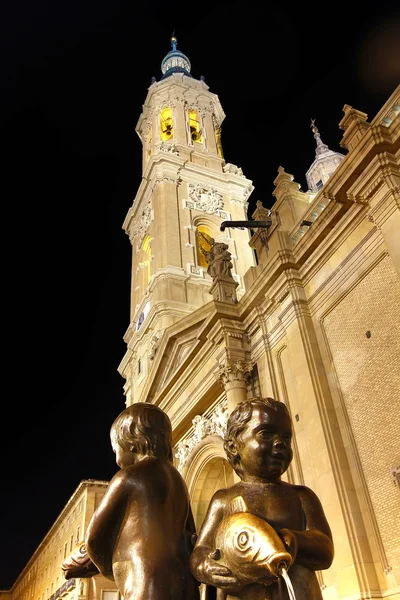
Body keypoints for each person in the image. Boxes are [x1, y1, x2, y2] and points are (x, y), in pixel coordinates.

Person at [190, 397, 334, 600]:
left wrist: (294, 541)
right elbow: (201, 550)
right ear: (233, 446)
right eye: (266, 433)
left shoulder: (301, 496)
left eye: (286, 437)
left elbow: (325, 550)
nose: (280, 443)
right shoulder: (223, 499)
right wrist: (206, 566)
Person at [85, 402, 200, 600]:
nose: (116, 460)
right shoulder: (178, 481)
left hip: (146, 582)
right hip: (185, 585)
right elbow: (191, 534)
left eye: (116, 450)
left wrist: (111, 570)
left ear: (130, 441)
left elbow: (94, 539)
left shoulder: (128, 477)